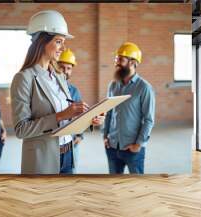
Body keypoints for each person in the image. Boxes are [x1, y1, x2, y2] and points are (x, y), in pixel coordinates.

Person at [11, 10, 99, 174]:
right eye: (59, 42)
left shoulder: (59, 76)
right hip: (43, 160)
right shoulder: (24, 78)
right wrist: (60, 116)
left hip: (68, 156)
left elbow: (68, 120)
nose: (63, 48)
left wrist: (88, 120)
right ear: (42, 42)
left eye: (63, 42)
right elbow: (21, 129)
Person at [103, 42, 155, 174]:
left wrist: (138, 144)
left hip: (132, 148)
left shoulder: (144, 87)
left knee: (136, 186)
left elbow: (148, 119)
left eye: (120, 59)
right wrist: (105, 136)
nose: (116, 63)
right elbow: (108, 113)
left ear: (132, 62)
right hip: (112, 146)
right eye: (116, 59)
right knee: (115, 186)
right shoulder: (113, 85)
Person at [58, 48, 83, 173]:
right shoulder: (49, 90)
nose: (65, 71)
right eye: (62, 67)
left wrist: (80, 135)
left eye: (68, 68)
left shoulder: (74, 91)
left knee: (70, 173)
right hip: (54, 141)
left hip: (72, 140)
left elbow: (80, 115)